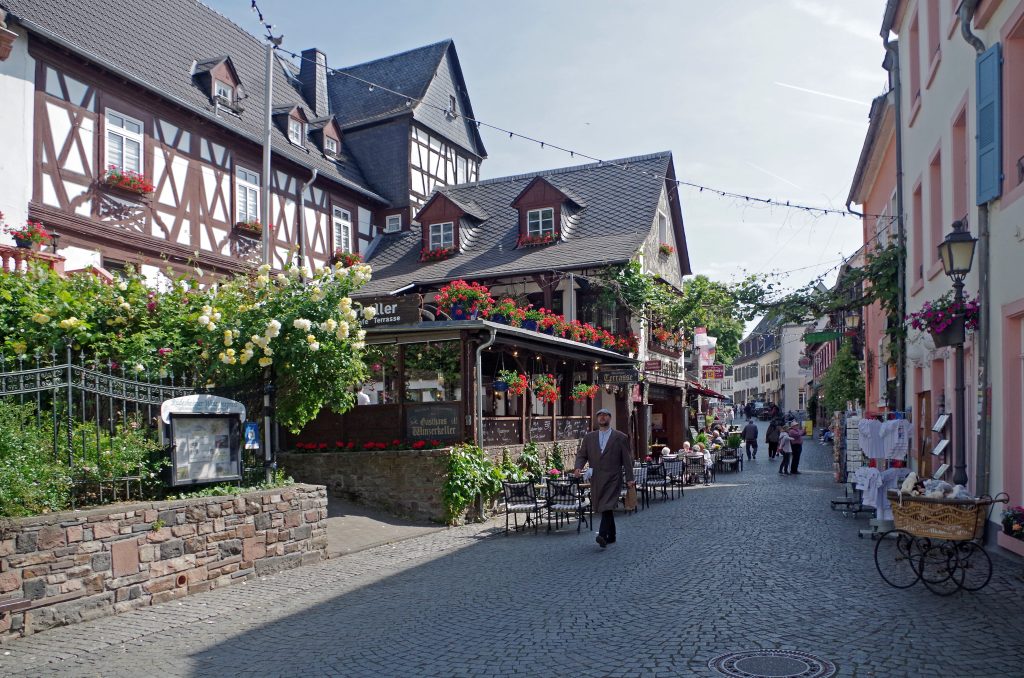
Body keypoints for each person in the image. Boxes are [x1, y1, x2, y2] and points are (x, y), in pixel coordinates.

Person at [574, 408, 635, 548]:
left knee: (607, 504)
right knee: (603, 506)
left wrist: (630, 478)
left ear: (610, 418)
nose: (602, 417)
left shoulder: (620, 437)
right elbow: (582, 454)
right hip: (596, 478)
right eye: (599, 415)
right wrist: (578, 467)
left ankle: (602, 535)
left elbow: (627, 460)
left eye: (605, 415)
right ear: (597, 419)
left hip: (614, 477)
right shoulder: (589, 437)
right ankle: (612, 535)